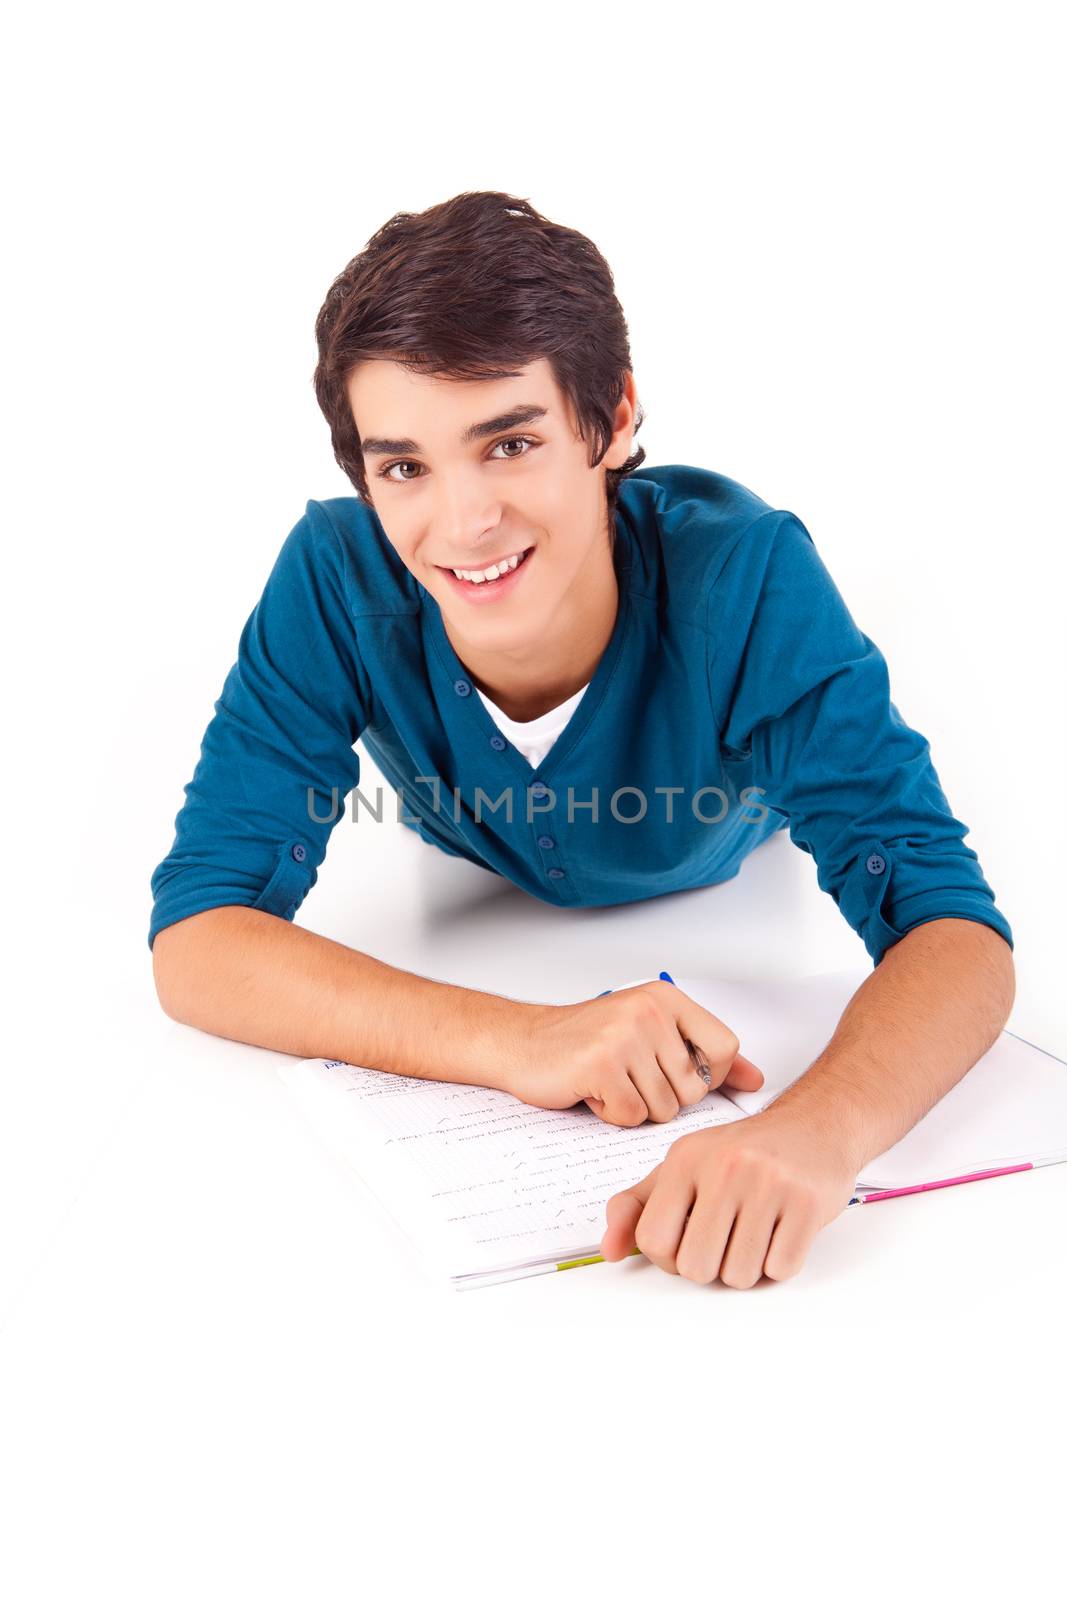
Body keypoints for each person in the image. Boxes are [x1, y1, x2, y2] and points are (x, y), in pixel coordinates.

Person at [149, 190, 1015, 1289]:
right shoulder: (333, 573)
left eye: (508, 443)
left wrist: (813, 1131)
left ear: (607, 419)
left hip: (720, 838)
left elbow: (957, 937)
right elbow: (198, 937)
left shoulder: (746, 575)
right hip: (477, 861)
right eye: (404, 466)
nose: (463, 525)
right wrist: (525, 1039)